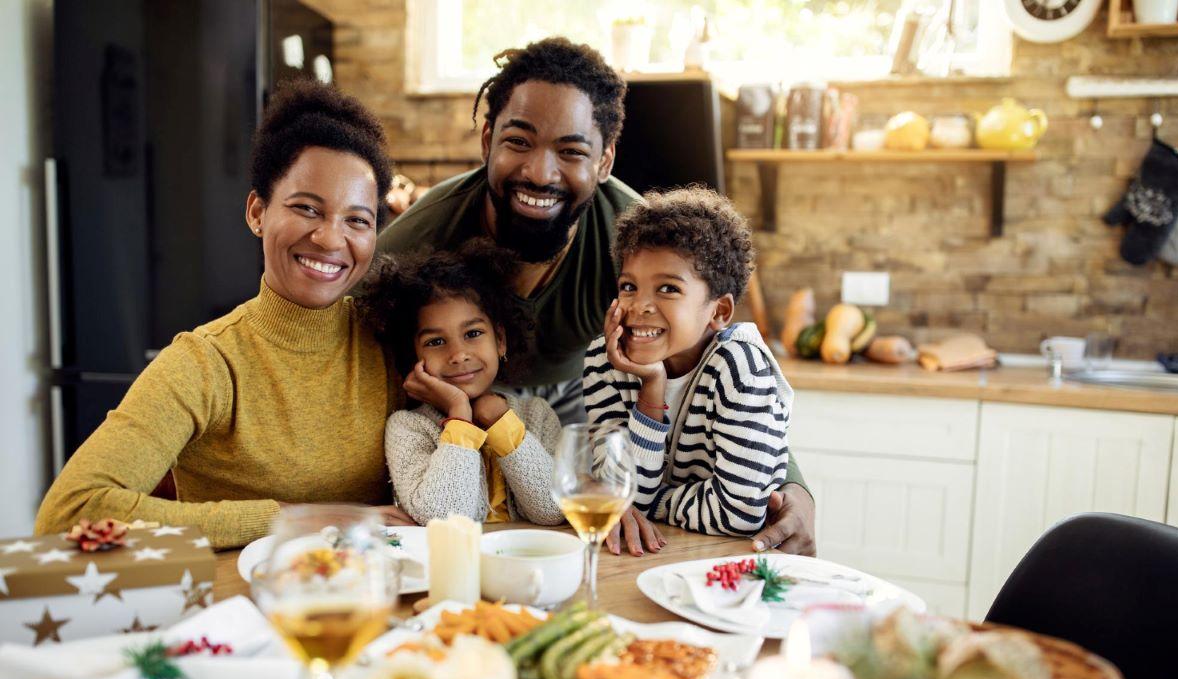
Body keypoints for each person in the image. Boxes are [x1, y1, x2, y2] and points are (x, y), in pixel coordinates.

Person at [376, 37, 816, 557]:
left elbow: (720, 359)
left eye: (571, 151)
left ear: (605, 160)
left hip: (583, 397)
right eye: (518, 141)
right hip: (444, 403)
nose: (540, 172)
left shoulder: (632, 241)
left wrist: (792, 483)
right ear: (487, 139)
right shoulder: (420, 237)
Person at [34, 79, 409, 549]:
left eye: (357, 220)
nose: (332, 240)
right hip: (237, 610)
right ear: (257, 212)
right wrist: (294, 521)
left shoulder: (393, 340)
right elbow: (71, 510)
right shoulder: (205, 363)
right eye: (307, 209)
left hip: (375, 608)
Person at [583, 187, 791, 535]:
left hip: (724, 564)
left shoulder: (741, 371)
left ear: (719, 311)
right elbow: (620, 499)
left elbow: (738, 515)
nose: (639, 306)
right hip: (651, 555)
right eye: (629, 286)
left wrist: (655, 502)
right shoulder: (605, 362)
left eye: (668, 289)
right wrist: (652, 388)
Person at [359, 241, 563, 526]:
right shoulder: (408, 428)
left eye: (473, 333)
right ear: (413, 355)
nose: (458, 355)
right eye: (436, 342)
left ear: (500, 341)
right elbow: (444, 518)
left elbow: (554, 509)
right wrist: (459, 414)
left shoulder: (536, 415)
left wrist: (499, 420)